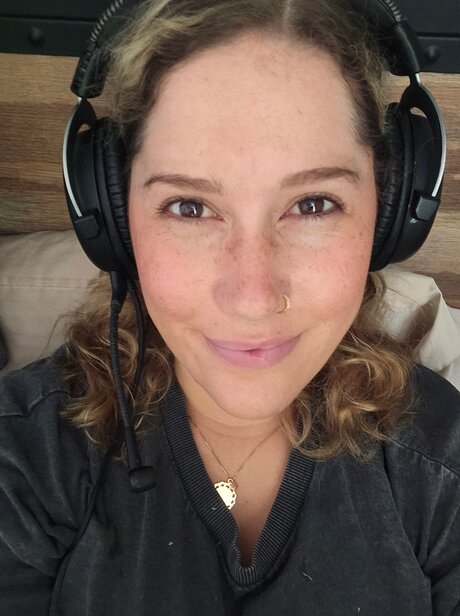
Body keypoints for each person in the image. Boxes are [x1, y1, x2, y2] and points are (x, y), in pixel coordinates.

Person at [0, 0, 458, 614]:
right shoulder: (26, 456)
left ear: (389, 210)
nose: (253, 298)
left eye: (313, 204)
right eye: (189, 208)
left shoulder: (441, 463)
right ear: (111, 218)